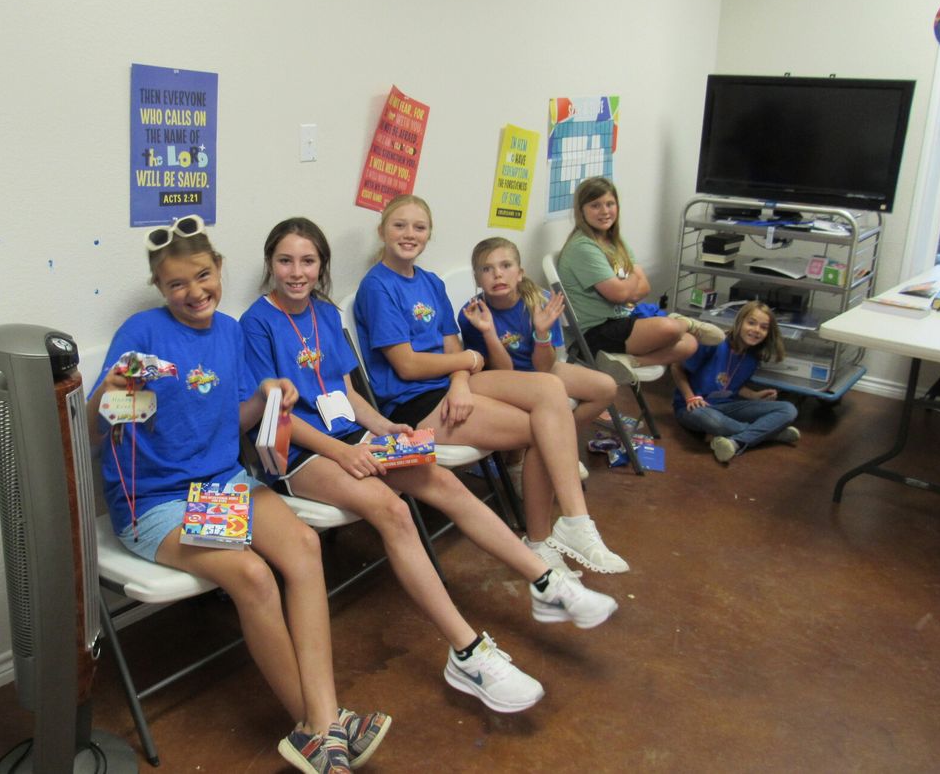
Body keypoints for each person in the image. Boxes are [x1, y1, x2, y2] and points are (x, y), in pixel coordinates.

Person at [241, 219, 620, 715]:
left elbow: (346, 392)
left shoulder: (324, 313)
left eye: (307, 261)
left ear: (321, 266)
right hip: (301, 453)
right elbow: (275, 416)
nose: (297, 272)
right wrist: (343, 452)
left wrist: (384, 428)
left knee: (445, 484)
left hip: (355, 436)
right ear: (270, 264)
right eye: (286, 261)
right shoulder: (255, 323)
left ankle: (547, 583)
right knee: (394, 511)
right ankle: (468, 652)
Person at [87, 215, 388, 774]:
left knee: (303, 545)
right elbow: (96, 431)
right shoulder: (142, 332)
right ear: (159, 286)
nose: (194, 291)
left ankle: (324, 719)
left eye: (203, 275)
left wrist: (270, 392)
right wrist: (108, 394)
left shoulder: (229, 332)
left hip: (223, 483)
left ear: (220, 268)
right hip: (157, 502)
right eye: (176, 284)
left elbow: (238, 418)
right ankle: (318, 728)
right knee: (252, 575)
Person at [354, 195, 630, 577]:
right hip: (412, 404)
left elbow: (453, 348)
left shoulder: (430, 282)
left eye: (419, 227)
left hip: (453, 387)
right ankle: (539, 541)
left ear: (429, 234)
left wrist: (461, 381)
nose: (409, 234)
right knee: (543, 429)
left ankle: (575, 522)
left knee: (549, 390)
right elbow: (408, 365)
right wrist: (469, 362)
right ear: (382, 230)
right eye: (399, 225)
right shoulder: (377, 287)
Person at [556, 176, 723, 385]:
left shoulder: (613, 240)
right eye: (595, 205)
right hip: (593, 333)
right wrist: (632, 279)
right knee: (671, 328)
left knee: (689, 344)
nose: (605, 211)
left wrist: (628, 287)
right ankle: (685, 322)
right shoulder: (583, 247)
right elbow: (620, 294)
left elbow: (644, 288)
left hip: (622, 319)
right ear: (581, 211)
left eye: (610, 204)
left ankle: (630, 361)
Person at [460, 236, 619, 432]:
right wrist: (488, 332)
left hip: (539, 369)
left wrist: (542, 333)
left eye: (506, 265)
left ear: (520, 273)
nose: (498, 274)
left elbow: (544, 367)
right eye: (486, 269)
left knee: (606, 388)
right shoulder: (472, 314)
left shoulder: (541, 301)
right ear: (477, 279)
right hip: (503, 379)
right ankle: (542, 439)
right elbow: (504, 373)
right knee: (544, 398)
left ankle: (559, 436)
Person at [669, 300, 800, 464]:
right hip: (695, 407)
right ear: (740, 322)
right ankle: (771, 433)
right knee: (712, 420)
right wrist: (690, 397)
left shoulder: (752, 357)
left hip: (727, 406)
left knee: (788, 409)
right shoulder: (714, 342)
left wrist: (754, 395)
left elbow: (732, 385)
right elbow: (676, 367)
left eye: (763, 327)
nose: (756, 330)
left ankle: (736, 441)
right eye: (751, 323)